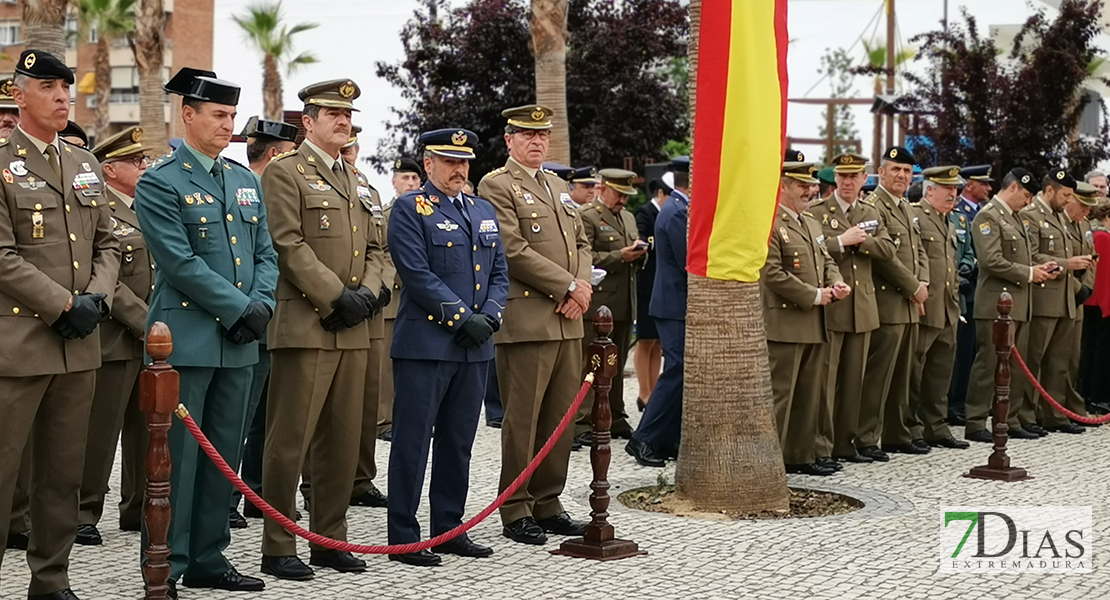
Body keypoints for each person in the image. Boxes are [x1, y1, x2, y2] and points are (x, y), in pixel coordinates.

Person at [135, 67, 277, 595]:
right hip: (186, 341)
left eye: (233, 115)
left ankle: (209, 559)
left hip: (238, 342)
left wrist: (259, 305)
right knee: (178, 461)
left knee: (224, 455)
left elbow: (265, 252)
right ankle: (166, 566)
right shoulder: (160, 180)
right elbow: (179, 263)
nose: (228, 124)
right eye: (219, 115)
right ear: (187, 114)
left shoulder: (242, 180)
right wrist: (242, 309)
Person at [0, 49, 120, 600]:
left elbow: (108, 242)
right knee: (4, 476)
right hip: (21, 344)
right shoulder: (2, 162)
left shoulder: (85, 165)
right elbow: (2, 256)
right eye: (47, 85)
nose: (60, 96)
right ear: (18, 93)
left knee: (63, 476)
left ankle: (50, 581)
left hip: (78, 348)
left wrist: (93, 299)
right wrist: (66, 306)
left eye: (66, 86)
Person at [258, 79, 388, 580]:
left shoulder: (356, 180)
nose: (343, 120)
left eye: (347, 114)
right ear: (307, 122)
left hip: (353, 326)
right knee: (290, 439)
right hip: (307, 323)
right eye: (332, 112)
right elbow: (287, 244)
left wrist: (368, 295)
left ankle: (330, 537)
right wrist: (337, 296)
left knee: (341, 437)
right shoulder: (286, 173)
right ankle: (278, 543)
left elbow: (377, 249)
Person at [385, 127, 508, 566]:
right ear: (428, 164)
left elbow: (499, 273)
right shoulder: (409, 209)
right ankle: (404, 536)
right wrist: (462, 317)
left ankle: (449, 528)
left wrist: (491, 315)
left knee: (458, 442)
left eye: (464, 162)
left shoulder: (482, 209)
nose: (459, 169)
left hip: (475, 348)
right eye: (449, 161)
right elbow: (416, 274)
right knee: (413, 442)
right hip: (427, 344)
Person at [478, 104, 591, 545]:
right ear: (509, 140)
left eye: (542, 135)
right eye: (527, 135)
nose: (536, 142)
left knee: (561, 417)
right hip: (528, 319)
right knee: (522, 419)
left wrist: (580, 285)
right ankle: (515, 507)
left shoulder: (559, 185)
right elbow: (511, 248)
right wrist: (566, 285)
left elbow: (580, 240)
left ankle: (549, 501)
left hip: (568, 318)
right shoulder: (497, 184)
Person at [76, 126, 153, 547]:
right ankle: (85, 511)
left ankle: (139, 507)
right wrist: (149, 322)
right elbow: (107, 279)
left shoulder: (145, 209)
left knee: (146, 431)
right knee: (100, 433)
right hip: (113, 337)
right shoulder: (98, 209)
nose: (144, 167)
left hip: (149, 341)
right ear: (110, 170)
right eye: (135, 161)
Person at [762, 153, 849, 476]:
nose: (809, 191)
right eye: (801, 185)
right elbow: (771, 273)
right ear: (783, 186)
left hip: (815, 320)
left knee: (809, 393)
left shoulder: (810, 221)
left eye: (811, 185)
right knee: (781, 395)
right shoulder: (770, 222)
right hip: (785, 322)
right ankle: (771, 461)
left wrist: (836, 283)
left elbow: (825, 259)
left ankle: (800, 456)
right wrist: (813, 295)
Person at [231, 116, 298, 524]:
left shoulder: (255, 187)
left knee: (264, 416)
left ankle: (257, 494)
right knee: (240, 414)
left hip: (275, 320)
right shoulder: (247, 190)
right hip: (256, 318)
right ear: (275, 154)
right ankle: (229, 499)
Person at [806, 152, 892, 466]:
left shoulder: (870, 211)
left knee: (855, 381)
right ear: (834, 179)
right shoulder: (817, 211)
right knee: (827, 383)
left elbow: (887, 249)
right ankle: (821, 446)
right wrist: (841, 241)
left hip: (863, 306)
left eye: (854, 176)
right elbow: (813, 250)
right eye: (842, 176)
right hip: (835, 306)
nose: (847, 182)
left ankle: (846, 443)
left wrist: (862, 242)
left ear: (864, 179)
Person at [965, 168, 1052, 443]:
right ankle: (976, 420)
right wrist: (1028, 273)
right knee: (988, 365)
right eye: (1026, 195)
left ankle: (1009, 418)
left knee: (1015, 367)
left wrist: (1037, 268)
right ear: (1012, 188)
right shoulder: (988, 216)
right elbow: (991, 260)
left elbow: (1019, 259)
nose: (1028, 202)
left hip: (1018, 304)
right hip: (995, 304)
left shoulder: (1015, 218)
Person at [858, 146, 929, 459]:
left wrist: (923, 280)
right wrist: (913, 285)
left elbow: (919, 249)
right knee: (879, 374)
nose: (902, 176)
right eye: (895, 170)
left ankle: (897, 433)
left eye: (907, 171)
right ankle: (866, 437)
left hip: (910, 302)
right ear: (881, 172)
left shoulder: (905, 207)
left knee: (903, 374)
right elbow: (884, 258)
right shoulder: (874, 206)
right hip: (889, 300)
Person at [572, 168, 647, 448]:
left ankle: (614, 415)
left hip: (624, 303)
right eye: (618, 194)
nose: (623, 201)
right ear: (603, 189)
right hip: (599, 305)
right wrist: (620, 256)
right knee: (591, 365)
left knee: (614, 365)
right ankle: (582, 421)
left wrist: (638, 254)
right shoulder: (588, 216)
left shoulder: (627, 217)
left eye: (626, 196)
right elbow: (586, 256)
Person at [626, 157, 691, 467]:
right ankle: (644, 438)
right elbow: (687, 260)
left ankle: (666, 438)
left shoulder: (678, 207)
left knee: (680, 370)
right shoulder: (678, 211)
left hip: (674, 302)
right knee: (677, 370)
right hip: (673, 302)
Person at [1020, 170, 1090, 435]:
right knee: (1034, 359)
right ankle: (1028, 415)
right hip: (1043, 298)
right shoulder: (1031, 215)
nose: (1068, 200)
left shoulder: (1062, 217)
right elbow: (1032, 254)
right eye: (1065, 195)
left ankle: (1055, 415)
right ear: (1050, 190)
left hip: (1065, 298)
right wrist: (1066, 264)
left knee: (1060, 362)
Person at [909, 166, 969, 450]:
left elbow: (950, 265)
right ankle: (912, 428)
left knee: (941, 372)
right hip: (926, 306)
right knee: (916, 371)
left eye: (956, 190)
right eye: (948, 190)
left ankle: (937, 427)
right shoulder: (916, 216)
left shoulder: (950, 219)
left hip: (948, 309)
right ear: (929, 189)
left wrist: (955, 301)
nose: (953, 195)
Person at [377, 157, 422, 440]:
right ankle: (384, 420)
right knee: (386, 365)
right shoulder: (386, 214)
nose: (411, 183)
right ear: (394, 181)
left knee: (416, 365)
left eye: (415, 179)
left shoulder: (429, 211)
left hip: (422, 301)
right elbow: (382, 252)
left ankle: (411, 418)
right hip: (394, 297)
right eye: (405, 178)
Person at [948, 165, 992, 425]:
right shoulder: (958, 213)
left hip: (972, 290)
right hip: (953, 289)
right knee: (953, 353)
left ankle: (960, 401)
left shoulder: (970, 216)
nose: (988, 188)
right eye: (983, 183)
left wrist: (969, 262)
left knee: (966, 351)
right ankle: (950, 403)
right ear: (970, 184)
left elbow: (974, 250)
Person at [632, 173, 670, 412]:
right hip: (647, 283)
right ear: (660, 194)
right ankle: (643, 391)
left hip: (662, 284)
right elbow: (643, 241)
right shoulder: (645, 213)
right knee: (645, 340)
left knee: (657, 341)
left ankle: (653, 389)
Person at [1080, 196, 1110, 409]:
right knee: (1100, 350)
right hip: (1100, 302)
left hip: (1096, 301)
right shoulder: (1103, 237)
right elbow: (1103, 275)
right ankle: (1097, 396)